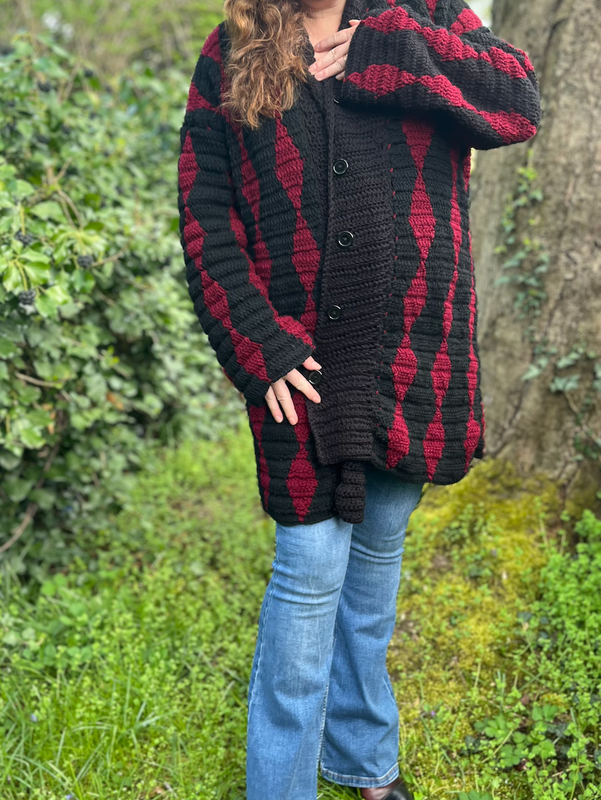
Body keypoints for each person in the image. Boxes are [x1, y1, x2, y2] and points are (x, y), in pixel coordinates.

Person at [176, 0, 541, 796]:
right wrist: (258, 343)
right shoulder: (231, 49)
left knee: (374, 570)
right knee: (308, 575)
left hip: (413, 355)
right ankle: (281, 785)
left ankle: (362, 755)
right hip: (299, 368)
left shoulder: (423, 14)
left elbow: (515, 102)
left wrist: (397, 50)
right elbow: (205, 213)